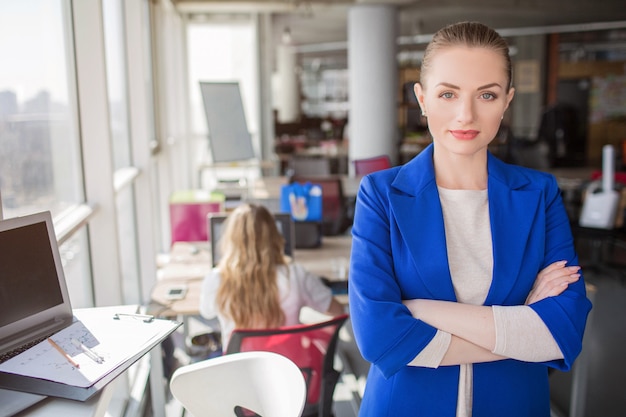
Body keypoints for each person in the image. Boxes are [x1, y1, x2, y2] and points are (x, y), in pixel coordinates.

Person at [348, 21, 592, 417]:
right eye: (448, 94)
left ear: (507, 100)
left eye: (487, 95)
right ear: (422, 99)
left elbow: (562, 332)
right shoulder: (381, 195)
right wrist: (520, 326)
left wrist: (420, 311)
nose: (466, 114)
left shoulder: (538, 194)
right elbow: (379, 337)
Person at [199, 203, 345, 350]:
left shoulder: (216, 280)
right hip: (287, 368)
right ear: (274, 235)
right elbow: (336, 310)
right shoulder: (295, 275)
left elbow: (206, 312)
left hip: (239, 370)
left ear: (230, 239)